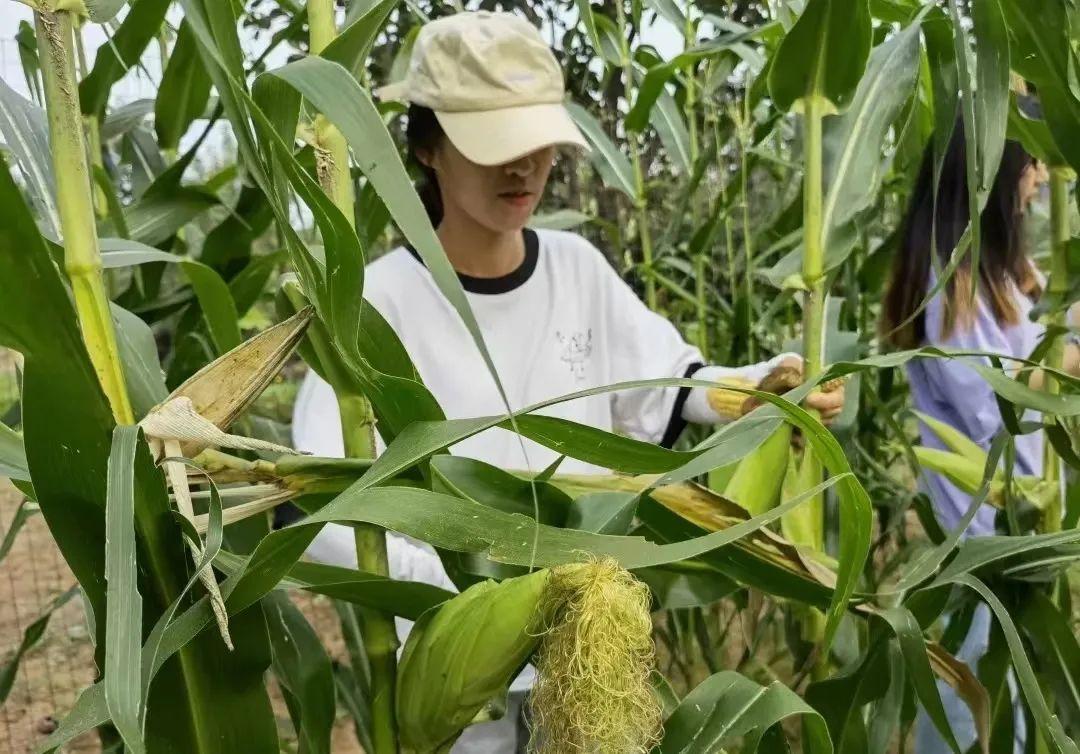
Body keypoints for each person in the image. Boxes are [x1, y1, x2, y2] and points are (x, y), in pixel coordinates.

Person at [292, 11, 845, 752]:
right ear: (426, 147)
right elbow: (321, 503)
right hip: (453, 671)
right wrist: (452, 579)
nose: (522, 167)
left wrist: (758, 390)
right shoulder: (375, 304)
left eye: (535, 145)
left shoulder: (576, 268)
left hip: (580, 656)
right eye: (495, 147)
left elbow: (668, 382)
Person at [882, 121, 1079, 753]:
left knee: (1017, 700)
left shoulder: (995, 274)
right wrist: (1069, 350)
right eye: (1031, 165)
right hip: (979, 544)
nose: (1042, 179)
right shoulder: (950, 286)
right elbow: (998, 407)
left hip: (1017, 529)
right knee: (977, 709)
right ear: (991, 177)